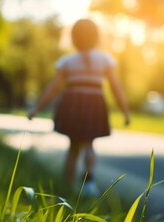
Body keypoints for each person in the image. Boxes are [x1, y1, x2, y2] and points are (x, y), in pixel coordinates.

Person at [28, 19, 130, 196]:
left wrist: (36, 108)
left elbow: (53, 88)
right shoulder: (104, 60)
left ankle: (68, 188)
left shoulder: (67, 62)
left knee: (73, 147)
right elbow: (115, 87)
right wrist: (125, 112)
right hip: (94, 105)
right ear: (96, 37)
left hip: (73, 106)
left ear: (74, 38)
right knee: (89, 144)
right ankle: (89, 182)